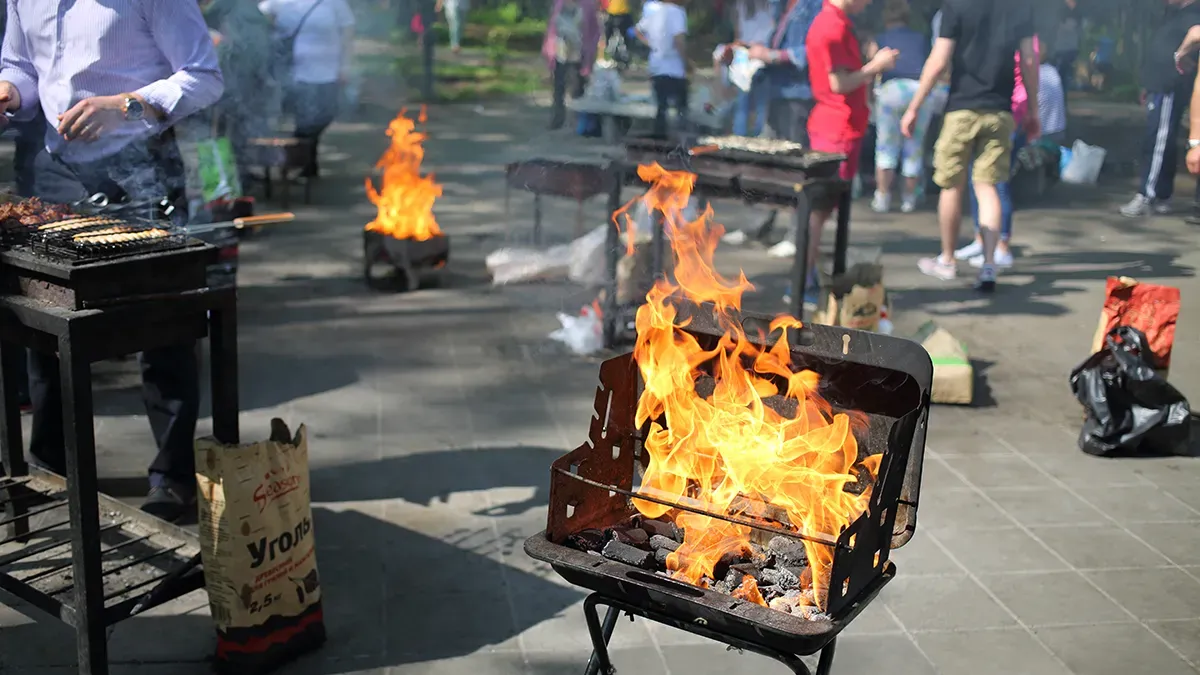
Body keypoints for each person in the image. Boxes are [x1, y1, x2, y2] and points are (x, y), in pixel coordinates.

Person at [0, 0, 224, 522]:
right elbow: (22, 67)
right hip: (51, 169)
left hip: (141, 171)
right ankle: (50, 468)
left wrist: (126, 104)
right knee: (44, 321)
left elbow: (204, 76)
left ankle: (173, 478)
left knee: (161, 328)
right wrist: (10, 92)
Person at [902, 0, 1038, 293]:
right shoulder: (1020, 7)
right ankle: (989, 264)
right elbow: (1029, 60)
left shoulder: (957, 6)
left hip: (961, 109)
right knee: (987, 185)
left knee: (952, 185)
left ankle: (947, 260)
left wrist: (914, 106)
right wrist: (1033, 110)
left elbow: (939, 60)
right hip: (1000, 111)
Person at [956, 37, 1041, 271]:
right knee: (979, 177)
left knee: (996, 180)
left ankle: (1002, 245)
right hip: (990, 106)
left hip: (1010, 109)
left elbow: (1029, 67)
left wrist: (1029, 111)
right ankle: (981, 239)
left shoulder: (1022, 29)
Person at [745, 0, 823, 251]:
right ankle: (758, 226)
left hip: (798, 95)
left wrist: (771, 55)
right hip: (777, 91)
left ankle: (795, 235)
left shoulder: (815, 6)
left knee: (794, 165)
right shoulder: (782, 6)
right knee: (766, 162)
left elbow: (813, 51)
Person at [1118, 0, 1200, 218]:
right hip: (1157, 85)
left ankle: (1147, 195)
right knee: (1162, 141)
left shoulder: (1194, 11)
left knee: (1157, 141)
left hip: (1169, 86)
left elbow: (1197, 33)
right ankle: (1162, 194)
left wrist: (1180, 54)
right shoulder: (1171, 13)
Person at [259, 0, 355, 179]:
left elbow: (347, 32)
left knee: (325, 115)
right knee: (304, 118)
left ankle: (296, 156)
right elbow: (259, 17)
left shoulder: (334, 3)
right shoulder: (278, 2)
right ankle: (306, 164)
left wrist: (345, 66)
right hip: (294, 75)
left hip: (328, 72)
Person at [201, 0, 276, 189]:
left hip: (245, 79)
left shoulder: (247, 9)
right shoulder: (228, 6)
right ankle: (224, 177)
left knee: (237, 131)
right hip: (230, 78)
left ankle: (236, 176)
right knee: (224, 131)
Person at [868, 0, 932, 214]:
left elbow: (873, 69)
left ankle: (883, 197)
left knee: (886, 145)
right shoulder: (921, 39)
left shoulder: (880, 39)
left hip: (891, 90)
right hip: (919, 91)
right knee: (914, 147)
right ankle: (909, 199)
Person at [637, 0, 690, 137]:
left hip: (657, 64)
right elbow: (679, 40)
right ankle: (679, 140)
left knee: (661, 107)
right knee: (680, 108)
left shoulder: (656, 11)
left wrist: (651, 43)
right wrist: (687, 62)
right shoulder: (678, 13)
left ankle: (659, 140)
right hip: (674, 67)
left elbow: (638, 30)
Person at [545, 0, 600, 130]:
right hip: (560, 51)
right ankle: (557, 119)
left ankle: (580, 122)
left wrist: (591, 53)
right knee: (558, 88)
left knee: (578, 88)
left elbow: (594, 30)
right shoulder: (559, 4)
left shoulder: (588, 5)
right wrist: (548, 49)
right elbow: (552, 28)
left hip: (578, 52)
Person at [730, 0, 775, 137]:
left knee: (742, 105)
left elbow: (738, 34)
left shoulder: (741, 5)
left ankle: (739, 138)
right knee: (762, 104)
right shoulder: (770, 5)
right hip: (762, 54)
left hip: (744, 56)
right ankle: (759, 137)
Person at [1053, 12, 1080, 96]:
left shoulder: (1059, 26)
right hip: (1069, 52)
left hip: (1061, 52)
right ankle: (1063, 98)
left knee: (1061, 76)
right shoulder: (1075, 27)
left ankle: (1061, 97)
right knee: (1065, 76)